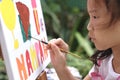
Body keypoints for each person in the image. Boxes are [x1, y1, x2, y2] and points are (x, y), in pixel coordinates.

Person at [46, 0, 120, 80]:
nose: (89, 27)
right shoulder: (104, 61)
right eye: (90, 17)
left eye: (95, 16)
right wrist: (61, 67)